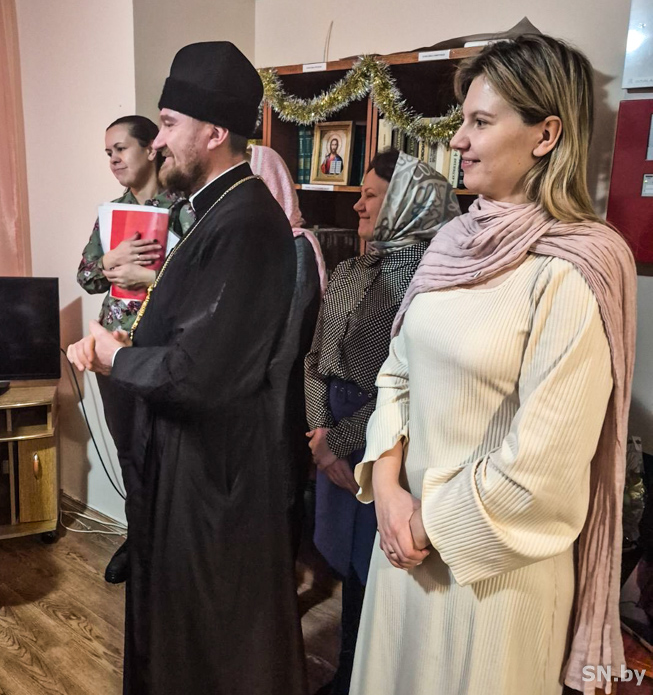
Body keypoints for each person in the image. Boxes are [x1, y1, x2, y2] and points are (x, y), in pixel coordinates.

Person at [351, 35, 637, 695]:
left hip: (494, 574)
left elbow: (543, 465)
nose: (457, 140)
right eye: (463, 121)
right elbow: (398, 372)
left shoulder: (574, 267)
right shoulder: (453, 241)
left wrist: (422, 521)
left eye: (480, 122)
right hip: (402, 546)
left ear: (546, 135)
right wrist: (387, 487)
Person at [68, 41, 307, 695]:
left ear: (215, 132)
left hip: (213, 477)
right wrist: (129, 336)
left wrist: (117, 355)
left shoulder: (245, 220)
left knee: (207, 645)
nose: (159, 140)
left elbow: (200, 374)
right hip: (189, 464)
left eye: (170, 123)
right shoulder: (213, 210)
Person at [305, 148, 460, 695]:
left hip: (386, 445)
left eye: (371, 195)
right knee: (347, 569)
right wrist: (319, 432)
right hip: (333, 432)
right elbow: (315, 359)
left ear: (405, 203)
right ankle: (349, 673)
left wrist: (339, 443)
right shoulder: (350, 269)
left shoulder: (432, 284)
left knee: (380, 572)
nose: (358, 204)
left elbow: (405, 387)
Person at [77, 114, 193, 584]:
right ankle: (139, 540)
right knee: (128, 450)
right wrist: (108, 261)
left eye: (121, 149)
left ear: (151, 148)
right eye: (108, 153)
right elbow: (87, 277)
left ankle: (171, 548)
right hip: (113, 350)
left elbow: (200, 281)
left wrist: (149, 276)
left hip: (163, 350)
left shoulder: (183, 207)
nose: (114, 159)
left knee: (167, 454)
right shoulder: (112, 213)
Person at [249, 143, 327, 556]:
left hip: (280, 394)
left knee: (280, 483)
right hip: (254, 390)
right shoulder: (257, 242)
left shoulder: (296, 246)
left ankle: (280, 578)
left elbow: (289, 342)